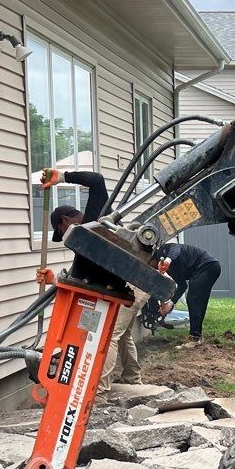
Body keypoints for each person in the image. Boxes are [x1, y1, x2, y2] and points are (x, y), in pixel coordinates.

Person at [41, 169, 144, 395]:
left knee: (110, 335)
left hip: (132, 283)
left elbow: (97, 181)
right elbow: (80, 277)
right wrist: (53, 280)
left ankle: (99, 392)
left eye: (60, 231)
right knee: (122, 334)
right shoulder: (84, 243)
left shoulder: (94, 220)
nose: (64, 237)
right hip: (127, 284)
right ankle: (133, 379)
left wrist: (63, 177)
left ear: (63, 221)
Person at [154, 241, 220, 349]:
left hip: (207, 266)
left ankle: (195, 338)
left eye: (150, 264)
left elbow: (176, 248)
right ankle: (197, 336)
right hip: (208, 268)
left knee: (193, 299)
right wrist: (170, 304)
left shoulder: (163, 251)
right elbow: (182, 286)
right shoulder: (171, 270)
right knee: (199, 302)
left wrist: (167, 260)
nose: (153, 268)